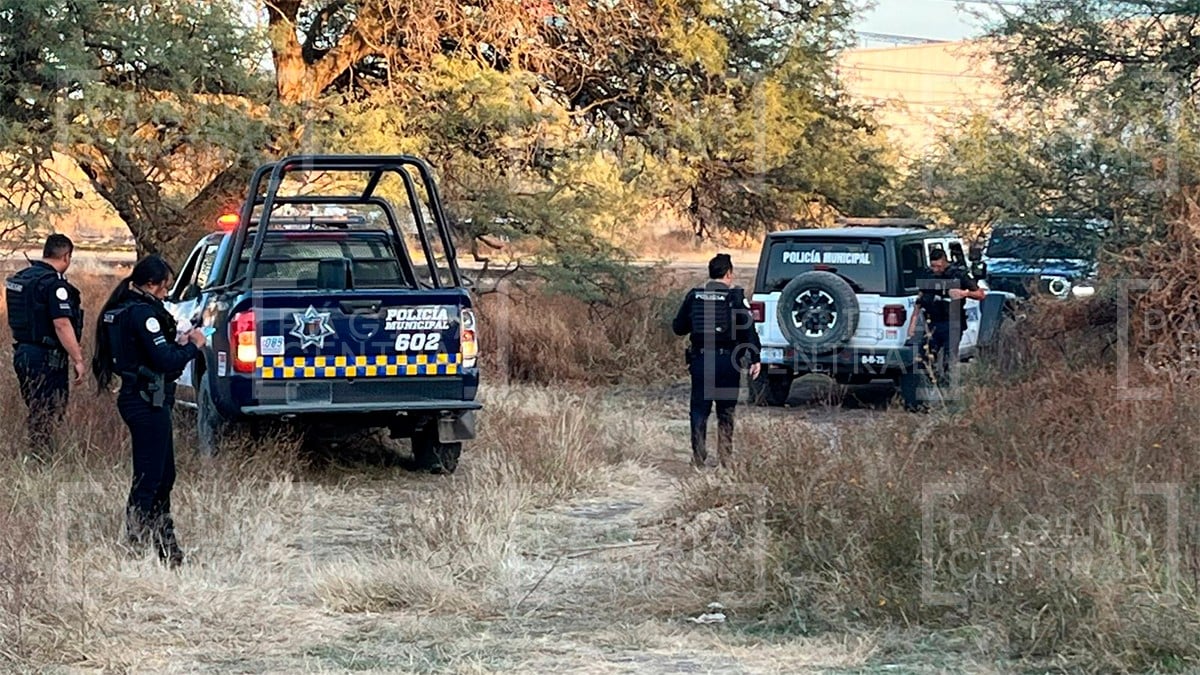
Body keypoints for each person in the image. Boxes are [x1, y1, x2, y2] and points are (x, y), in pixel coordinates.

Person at [92, 255, 205, 567]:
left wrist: (176, 342)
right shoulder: (143, 314)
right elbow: (166, 360)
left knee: (163, 474)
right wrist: (193, 345)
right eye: (164, 287)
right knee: (150, 477)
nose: (166, 294)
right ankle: (136, 544)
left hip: (141, 397)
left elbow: (149, 353)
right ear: (151, 284)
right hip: (146, 400)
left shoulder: (123, 309)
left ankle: (167, 547)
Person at [672, 253, 762, 468]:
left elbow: (678, 328)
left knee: (699, 410)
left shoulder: (694, 296)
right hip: (728, 363)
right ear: (729, 273)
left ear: (710, 273)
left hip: (702, 361)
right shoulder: (735, 298)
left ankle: (699, 458)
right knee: (726, 411)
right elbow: (748, 330)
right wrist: (755, 358)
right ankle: (725, 458)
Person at [5, 234, 86, 458]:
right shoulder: (54, 285)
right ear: (66, 256)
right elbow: (61, 323)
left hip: (23, 352)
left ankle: (39, 453)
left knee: (37, 406)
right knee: (49, 409)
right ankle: (41, 457)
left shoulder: (22, 279)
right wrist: (78, 359)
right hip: (45, 356)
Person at [902, 249, 985, 411]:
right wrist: (912, 324)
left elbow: (981, 294)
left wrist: (964, 293)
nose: (935, 269)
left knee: (948, 361)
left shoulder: (959, 274)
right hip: (932, 323)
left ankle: (950, 400)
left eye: (938, 266)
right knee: (923, 360)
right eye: (933, 266)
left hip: (953, 323)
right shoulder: (928, 275)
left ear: (944, 261)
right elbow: (920, 300)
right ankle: (925, 398)